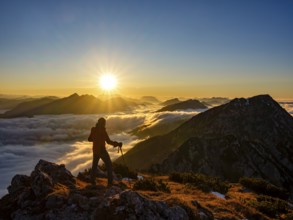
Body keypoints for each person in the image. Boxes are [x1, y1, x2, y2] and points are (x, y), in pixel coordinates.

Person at [88, 117, 122, 186]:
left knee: (94, 166)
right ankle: (110, 182)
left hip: (95, 150)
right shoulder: (103, 131)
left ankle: (92, 181)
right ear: (103, 123)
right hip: (102, 150)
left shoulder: (93, 129)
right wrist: (117, 144)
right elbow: (109, 142)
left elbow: (89, 139)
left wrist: (95, 140)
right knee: (109, 165)